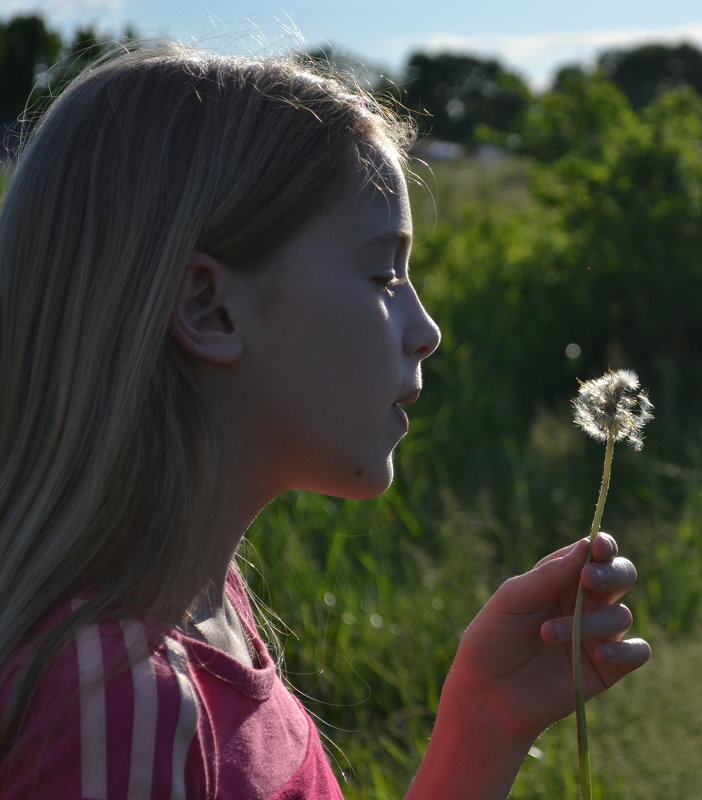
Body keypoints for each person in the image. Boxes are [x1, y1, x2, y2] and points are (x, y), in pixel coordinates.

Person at [0, 43, 651, 799]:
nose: (427, 329)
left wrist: (486, 719)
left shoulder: (204, 611)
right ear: (210, 307)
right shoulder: (120, 708)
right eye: (384, 275)